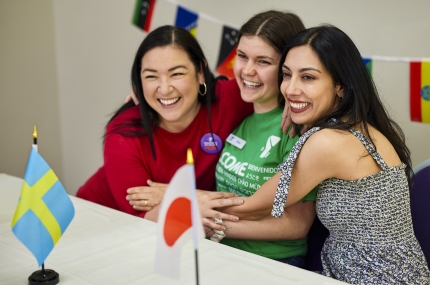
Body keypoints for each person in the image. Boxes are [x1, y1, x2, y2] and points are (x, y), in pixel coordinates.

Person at [220, 25, 430, 283]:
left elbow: (253, 207)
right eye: (286, 75)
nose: (290, 89)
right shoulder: (356, 126)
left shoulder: (328, 142)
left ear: (340, 86)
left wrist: (184, 202)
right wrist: (300, 106)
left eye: (308, 77)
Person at [129, 11, 317, 268]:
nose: (247, 70)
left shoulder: (297, 129)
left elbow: (295, 225)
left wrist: (195, 212)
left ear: (287, 69)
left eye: (263, 61)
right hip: (220, 253)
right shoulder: (242, 117)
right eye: (242, 56)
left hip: (272, 262)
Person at [76, 25, 254, 220]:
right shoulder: (122, 134)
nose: (164, 88)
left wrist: (292, 108)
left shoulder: (231, 100)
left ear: (200, 72)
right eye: (151, 76)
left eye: (176, 73)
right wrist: (190, 198)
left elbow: (276, 84)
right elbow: (143, 218)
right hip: (99, 221)